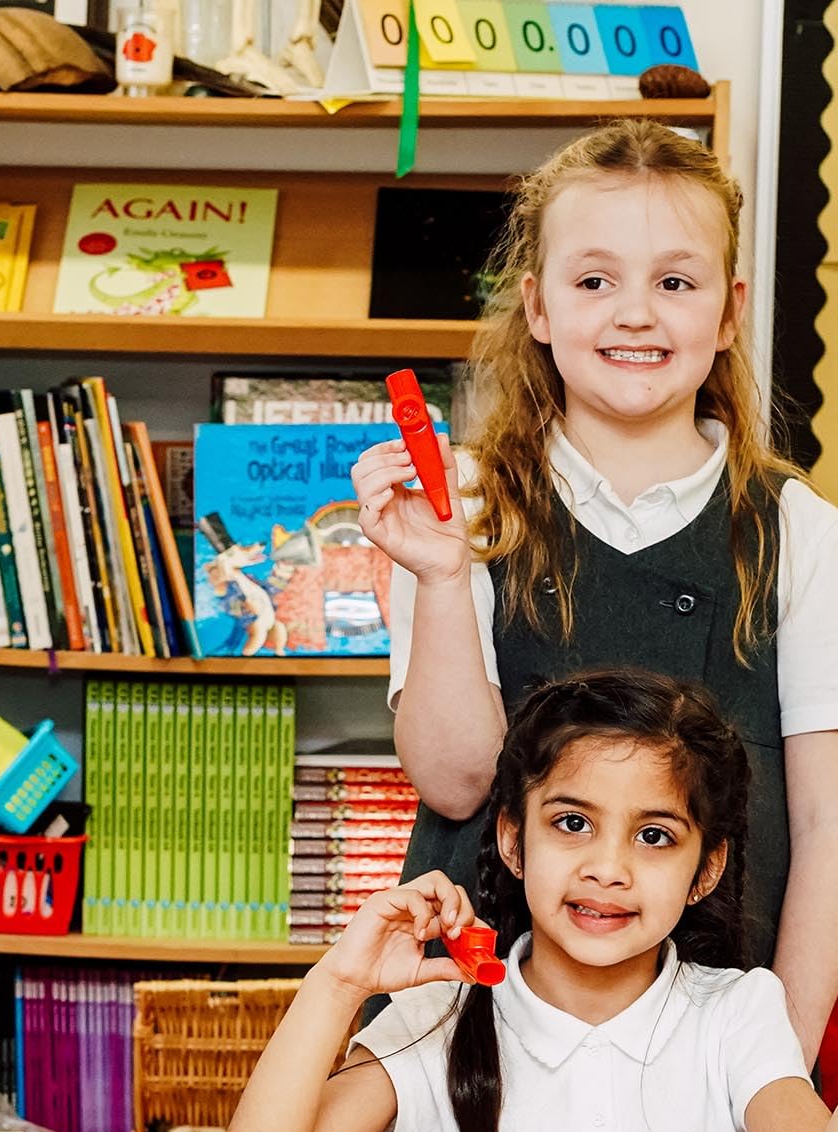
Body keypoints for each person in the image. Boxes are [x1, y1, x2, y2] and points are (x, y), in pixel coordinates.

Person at [353, 120, 838, 1056]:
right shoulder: (456, 509)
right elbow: (456, 782)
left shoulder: (801, 532)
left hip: (712, 1043)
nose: (635, 315)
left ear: (729, 311)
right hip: (472, 1030)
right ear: (537, 305)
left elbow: (826, 830)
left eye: (675, 282)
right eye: (594, 282)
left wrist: (776, 1063)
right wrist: (444, 575)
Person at [210, 670, 829, 1132]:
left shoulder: (737, 1011)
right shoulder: (436, 1017)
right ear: (513, 840)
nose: (607, 869)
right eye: (573, 823)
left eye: (653, 836)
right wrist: (339, 983)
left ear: (705, 871)